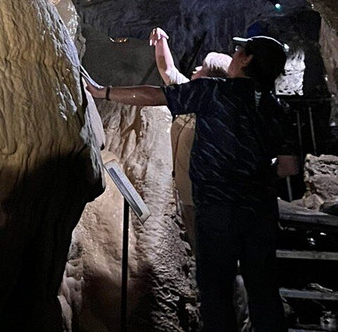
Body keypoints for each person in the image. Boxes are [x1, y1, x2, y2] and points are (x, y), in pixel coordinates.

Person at [86, 34, 298, 332]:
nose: (235, 53)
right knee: (264, 291)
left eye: (240, 49)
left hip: (217, 210)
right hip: (260, 213)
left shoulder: (215, 92)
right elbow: (288, 167)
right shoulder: (278, 109)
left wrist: (102, 92)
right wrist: (254, 173)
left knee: (216, 292)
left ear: (247, 59)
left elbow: (156, 95)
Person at [150, 27, 230, 248]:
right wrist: (161, 39)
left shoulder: (216, 113)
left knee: (212, 252)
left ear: (212, 79)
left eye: (203, 67)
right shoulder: (192, 97)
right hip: (188, 196)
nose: (197, 67)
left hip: (206, 199)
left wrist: (103, 92)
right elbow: (168, 70)